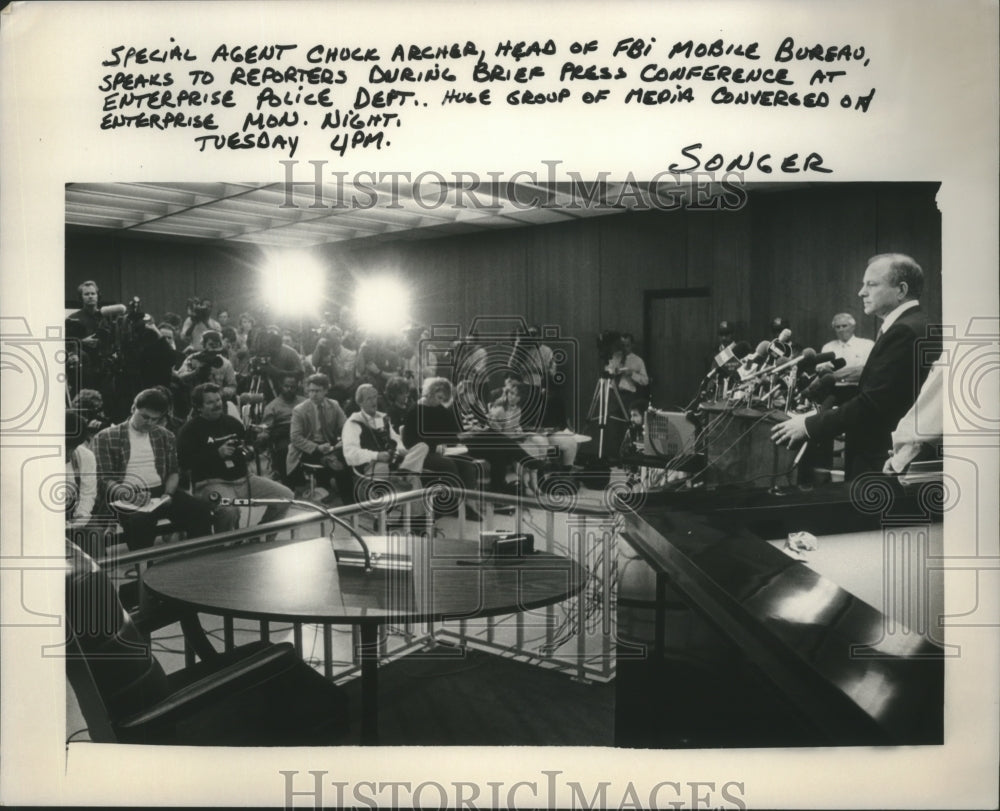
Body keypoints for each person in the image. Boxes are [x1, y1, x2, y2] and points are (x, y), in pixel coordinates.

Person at [771, 253, 940, 478]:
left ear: (901, 290)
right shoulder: (917, 324)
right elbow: (889, 394)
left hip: (881, 463)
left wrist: (810, 426)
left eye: (871, 284)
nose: (861, 292)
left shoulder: (904, 332)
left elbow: (874, 404)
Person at [92, 388, 214, 551]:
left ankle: (198, 559)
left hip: (160, 492)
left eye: (155, 419)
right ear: (133, 409)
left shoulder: (165, 435)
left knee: (200, 511)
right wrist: (129, 495)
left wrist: (168, 493)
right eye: (145, 417)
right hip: (126, 494)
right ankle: (145, 568)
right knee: (140, 521)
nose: (149, 422)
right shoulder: (106, 437)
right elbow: (104, 479)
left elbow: (173, 471)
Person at [177, 383, 293, 531]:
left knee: (286, 496)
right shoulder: (189, 430)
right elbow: (184, 463)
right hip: (211, 483)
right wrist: (216, 454)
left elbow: (247, 448)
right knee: (229, 511)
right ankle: (225, 547)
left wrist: (254, 444)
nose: (216, 405)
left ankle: (261, 535)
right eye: (210, 402)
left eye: (218, 400)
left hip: (245, 479)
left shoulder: (232, 423)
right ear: (199, 407)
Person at [342, 383, 429, 498]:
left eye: (375, 397)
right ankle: (404, 479)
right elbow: (350, 454)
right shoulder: (353, 423)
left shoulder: (382, 418)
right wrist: (377, 455)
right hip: (371, 465)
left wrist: (401, 448)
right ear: (360, 402)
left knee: (422, 446)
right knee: (412, 476)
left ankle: (402, 474)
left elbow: (396, 439)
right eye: (369, 399)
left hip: (392, 459)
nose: (374, 402)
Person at [287, 373, 355, 505]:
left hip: (329, 445)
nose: (313, 394)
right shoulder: (299, 410)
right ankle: (350, 503)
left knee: (343, 457)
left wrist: (343, 439)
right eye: (311, 390)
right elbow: (295, 438)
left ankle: (346, 500)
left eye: (317, 391)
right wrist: (316, 447)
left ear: (325, 391)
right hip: (307, 449)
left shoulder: (333, 405)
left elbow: (346, 426)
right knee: (339, 464)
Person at [258, 373, 305, 481]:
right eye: (286, 386)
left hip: (304, 432)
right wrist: (263, 434)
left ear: (297, 386)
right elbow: (265, 427)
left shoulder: (304, 401)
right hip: (284, 434)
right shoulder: (272, 406)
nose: (289, 389)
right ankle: (289, 481)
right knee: (284, 449)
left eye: (292, 387)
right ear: (281, 386)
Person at [819, 312, 875, 399]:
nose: (841, 329)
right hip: (832, 392)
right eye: (837, 327)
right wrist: (852, 371)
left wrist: (834, 375)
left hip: (858, 391)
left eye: (844, 326)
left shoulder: (867, 345)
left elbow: (866, 372)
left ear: (853, 327)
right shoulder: (828, 347)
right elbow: (822, 374)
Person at [605, 332, 649, 412]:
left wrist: (632, 374)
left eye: (627, 345)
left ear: (632, 345)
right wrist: (612, 370)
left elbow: (645, 381)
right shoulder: (615, 357)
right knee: (613, 420)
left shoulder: (638, 361)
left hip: (628, 397)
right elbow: (606, 370)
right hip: (613, 396)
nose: (624, 348)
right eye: (622, 345)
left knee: (627, 421)